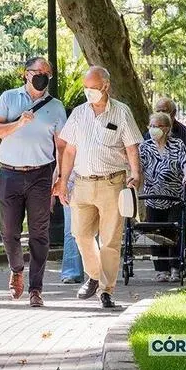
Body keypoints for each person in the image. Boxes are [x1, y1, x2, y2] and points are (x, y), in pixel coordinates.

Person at [53, 66, 143, 309]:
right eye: (86, 88)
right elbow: (69, 149)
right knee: (80, 235)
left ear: (106, 86)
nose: (88, 92)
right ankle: (94, 275)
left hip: (112, 183)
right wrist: (63, 182)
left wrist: (135, 175)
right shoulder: (79, 113)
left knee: (110, 241)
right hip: (82, 183)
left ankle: (106, 290)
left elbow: (132, 147)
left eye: (93, 88)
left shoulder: (121, 113)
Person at [0, 57, 68, 307]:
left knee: (39, 233)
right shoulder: (9, 98)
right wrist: (18, 123)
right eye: (38, 71)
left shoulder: (55, 107)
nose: (43, 76)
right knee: (9, 230)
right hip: (10, 173)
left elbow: (62, 144)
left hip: (40, 175)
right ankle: (16, 269)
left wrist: (61, 175)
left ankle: (36, 289)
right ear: (26, 74)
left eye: (48, 73)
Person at [140, 112, 186, 283]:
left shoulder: (177, 144)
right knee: (155, 232)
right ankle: (161, 270)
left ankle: (175, 267)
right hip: (152, 197)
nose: (154, 129)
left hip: (174, 197)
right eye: (151, 126)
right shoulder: (145, 147)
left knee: (173, 231)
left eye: (158, 126)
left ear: (167, 128)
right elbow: (138, 167)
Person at [149, 97, 186, 202]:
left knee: (178, 218)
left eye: (164, 111)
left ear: (173, 113)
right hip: (154, 192)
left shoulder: (184, 133)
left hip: (180, 191)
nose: (161, 114)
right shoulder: (150, 134)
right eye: (158, 111)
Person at [60, 172, 84, 284]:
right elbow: (61, 162)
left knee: (97, 230)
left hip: (96, 180)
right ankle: (71, 272)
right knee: (70, 230)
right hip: (71, 184)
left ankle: (98, 272)